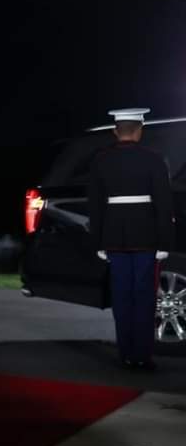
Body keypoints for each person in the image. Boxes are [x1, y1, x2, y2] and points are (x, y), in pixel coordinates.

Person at [88, 108, 174, 370]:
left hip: (113, 236)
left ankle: (125, 355)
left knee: (122, 297)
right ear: (139, 131)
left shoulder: (101, 160)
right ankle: (142, 356)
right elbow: (163, 203)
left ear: (116, 131)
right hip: (146, 236)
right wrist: (165, 243)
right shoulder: (153, 159)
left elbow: (95, 206)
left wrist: (98, 242)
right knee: (144, 297)